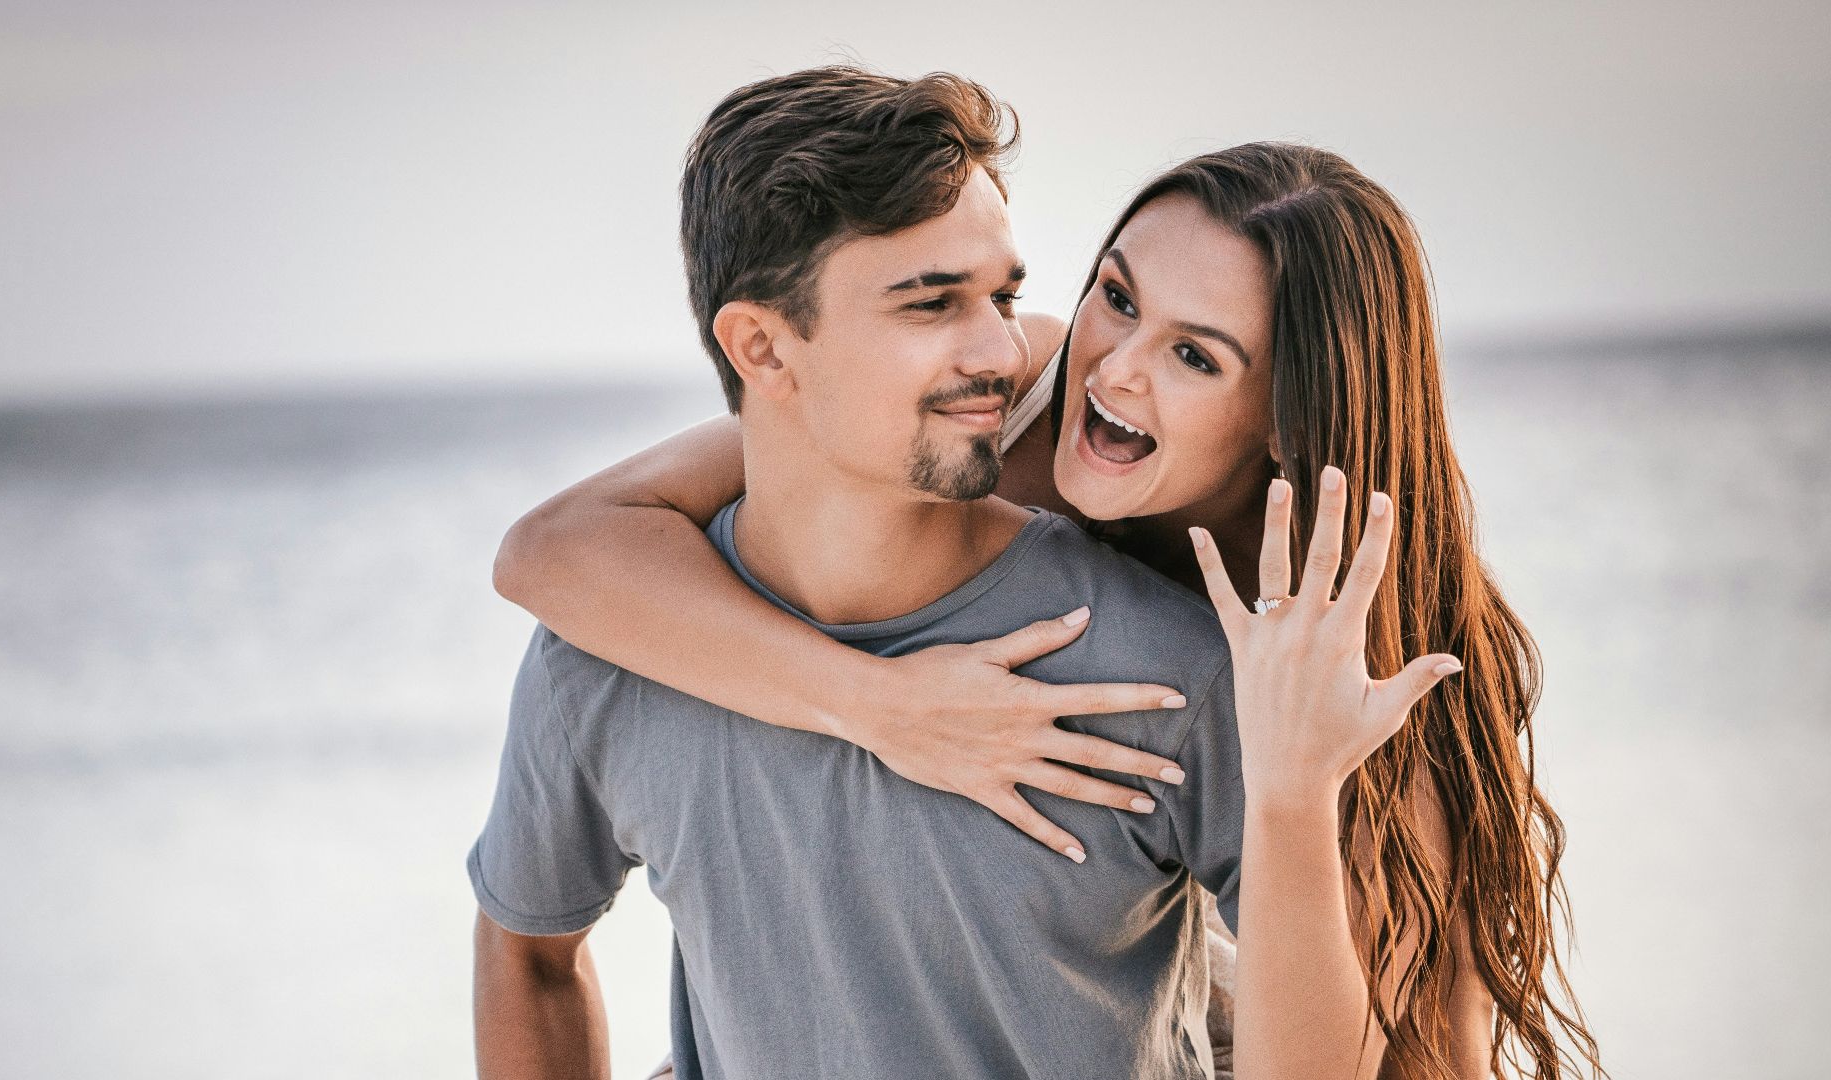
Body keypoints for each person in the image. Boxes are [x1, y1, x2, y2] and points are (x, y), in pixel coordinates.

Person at [492, 101, 1605, 1080]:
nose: (1113, 366)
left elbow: (1433, 1055)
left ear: (1290, 418)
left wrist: (1289, 785)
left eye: (1198, 357)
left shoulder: (1339, 670)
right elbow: (558, 549)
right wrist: (883, 708)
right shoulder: (1008, 392)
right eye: (1116, 297)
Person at [470, 66, 1286, 1080]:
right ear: (763, 348)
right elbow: (526, 951)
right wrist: (875, 702)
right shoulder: (610, 653)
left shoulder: (1172, 669)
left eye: (1005, 295)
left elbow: (1391, 1012)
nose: (1006, 349)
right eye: (932, 303)